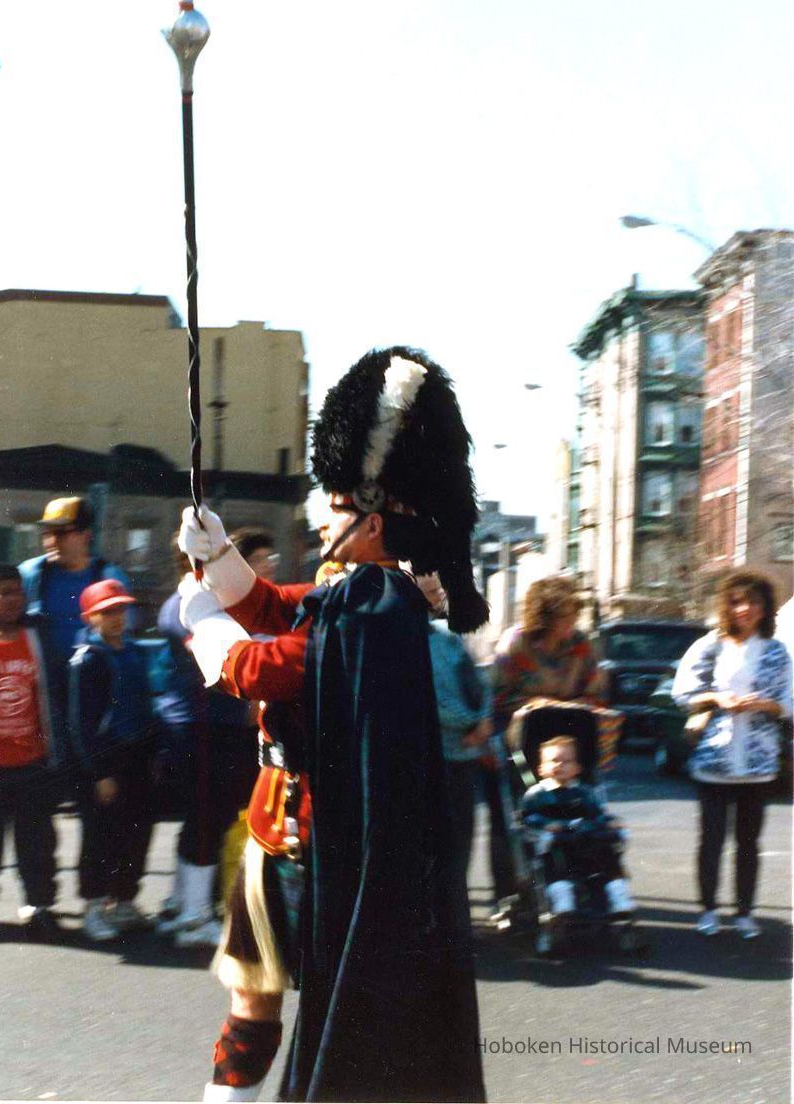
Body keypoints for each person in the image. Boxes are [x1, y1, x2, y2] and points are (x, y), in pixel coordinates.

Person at [179, 347, 487, 1103]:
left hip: (322, 853)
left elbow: (273, 664)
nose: (323, 517)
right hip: (276, 831)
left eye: (339, 507)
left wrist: (212, 643)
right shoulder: (351, 590)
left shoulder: (375, 605)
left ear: (373, 519)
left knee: (312, 1015)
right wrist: (217, 559)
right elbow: (277, 605)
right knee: (250, 1004)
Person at [672, 569, 793, 940]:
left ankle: (744, 913)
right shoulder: (710, 645)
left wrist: (767, 705)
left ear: (764, 608)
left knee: (748, 842)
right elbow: (683, 693)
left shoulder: (776, 650)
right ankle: (708, 910)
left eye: (753, 602)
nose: (745, 609)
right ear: (727, 605)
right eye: (738, 602)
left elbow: (789, 702)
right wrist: (717, 698)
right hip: (715, 758)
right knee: (710, 841)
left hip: (757, 762)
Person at [153, 537, 261, 947]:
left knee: (200, 819)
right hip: (204, 725)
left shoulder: (191, 599)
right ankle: (194, 917)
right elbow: (219, 659)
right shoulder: (193, 602)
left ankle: (181, 905)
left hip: (202, 724)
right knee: (208, 819)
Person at [487, 575, 610, 917]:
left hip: (568, 744)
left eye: (574, 617)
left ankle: (574, 886)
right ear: (544, 616)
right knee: (520, 814)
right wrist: (534, 703)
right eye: (563, 617)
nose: (570, 625)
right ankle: (509, 896)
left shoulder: (582, 646)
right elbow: (497, 697)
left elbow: (597, 692)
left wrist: (579, 704)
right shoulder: (517, 643)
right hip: (521, 746)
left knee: (576, 811)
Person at [0, 564, 65, 942]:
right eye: (3, 592)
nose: (12, 600)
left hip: (33, 765)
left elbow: (55, 699)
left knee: (37, 845)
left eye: (18, 592)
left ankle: (39, 908)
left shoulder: (38, 638)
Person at [68, 579, 159, 942]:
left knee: (138, 831)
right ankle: (93, 906)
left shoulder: (135, 651)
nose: (118, 617)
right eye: (108, 612)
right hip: (106, 761)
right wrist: (99, 773)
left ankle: (124, 900)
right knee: (100, 836)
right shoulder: (86, 659)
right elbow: (81, 723)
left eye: (121, 609)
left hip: (138, 755)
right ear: (91, 617)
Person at [423, 574, 494, 888]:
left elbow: (481, 682)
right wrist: (472, 722)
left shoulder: (448, 636)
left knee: (461, 842)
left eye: (439, 589)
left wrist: (483, 720)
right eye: (430, 590)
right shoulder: (410, 640)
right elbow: (432, 700)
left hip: (464, 752)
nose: (437, 596)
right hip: (434, 754)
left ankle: (455, 917)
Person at [519, 735, 634, 927]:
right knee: (554, 864)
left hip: (586, 841)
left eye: (567, 761)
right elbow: (527, 816)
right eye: (554, 761)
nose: (560, 765)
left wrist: (610, 821)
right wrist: (545, 823)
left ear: (578, 768)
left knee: (608, 855)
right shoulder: (537, 794)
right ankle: (562, 899)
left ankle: (617, 893)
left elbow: (597, 814)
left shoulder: (584, 792)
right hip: (555, 844)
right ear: (541, 768)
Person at [19, 496, 131, 665]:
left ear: (86, 535)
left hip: (93, 679)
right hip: (46, 682)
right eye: (46, 533)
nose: (51, 542)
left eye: (60, 533)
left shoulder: (111, 578)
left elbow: (124, 638)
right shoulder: (30, 574)